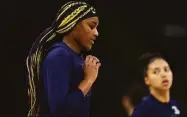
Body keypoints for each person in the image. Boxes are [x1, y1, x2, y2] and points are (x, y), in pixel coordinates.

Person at [26, 1, 101, 117]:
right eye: (91, 26)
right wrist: (88, 80)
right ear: (73, 24)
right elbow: (60, 110)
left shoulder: (75, 57)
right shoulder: (59, 56)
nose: (96, 33)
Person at [131, 53, 180, 117]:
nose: (163, 74)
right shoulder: (144, 109)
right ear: (147, 80)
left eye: (166, 70)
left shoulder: (175, 104)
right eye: (156, 72)